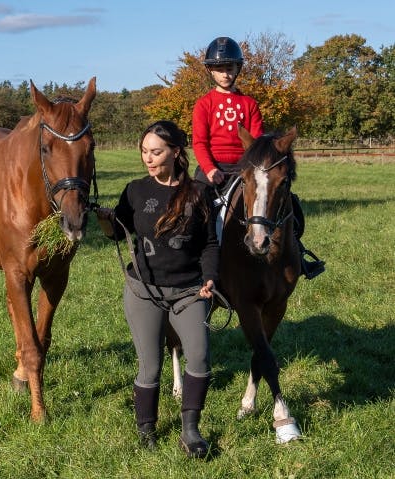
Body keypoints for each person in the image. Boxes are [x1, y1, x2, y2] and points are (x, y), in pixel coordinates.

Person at [96, 120, 219, 459]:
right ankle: (146, 429)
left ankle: (190, 429)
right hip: (144, 291)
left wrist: (210, 277)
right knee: (150, 366)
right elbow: (117, 234)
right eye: (144, 152)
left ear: (176, 152)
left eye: (155, 152)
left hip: (189, 291)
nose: (147, 159)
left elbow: (210, 243)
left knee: (200, 357)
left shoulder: (199, 192)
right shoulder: (135, 190)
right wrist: (107, 221)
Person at [192, 36, 325, 279]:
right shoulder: (204, 104)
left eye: (229, 69)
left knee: (288, 202)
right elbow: (199, 142)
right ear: (211, 71)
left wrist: (255, 167)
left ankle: (299, 254)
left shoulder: (249, 103)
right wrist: (210, 169)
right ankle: (193, 260)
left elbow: (257, 142)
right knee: (195, 207)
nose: (225, 74)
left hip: (247, 167)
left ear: (237, 69)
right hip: (213, 168)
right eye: (220, 69)